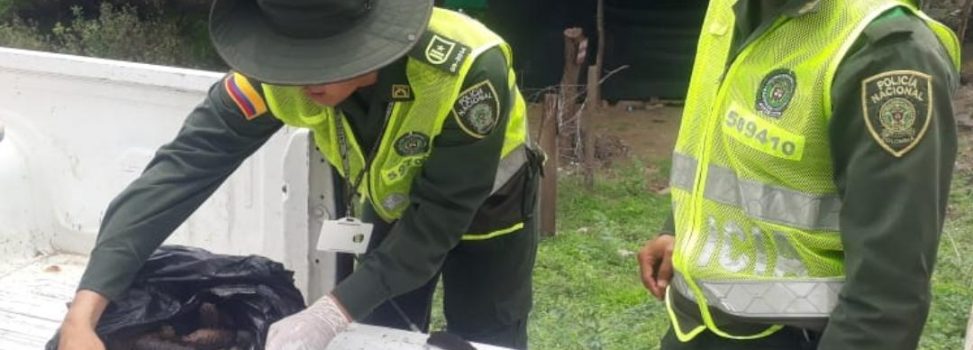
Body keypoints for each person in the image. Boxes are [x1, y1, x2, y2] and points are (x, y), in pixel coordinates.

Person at [56, 0, 542, 349]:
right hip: (390, 205)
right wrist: (84, 314)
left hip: (489, 212)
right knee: (379, 331)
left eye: (322, 61)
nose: (302, 78)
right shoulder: (272, 73)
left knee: (486, 336)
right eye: (289, 57)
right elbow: (176, 172)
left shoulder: (467, 71)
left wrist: (331, 312)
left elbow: (437, 222)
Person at [637, 0, 960, 349]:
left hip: (799, 335)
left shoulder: (888, 52)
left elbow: (886, 296)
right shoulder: (729, 6)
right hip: (696, 328)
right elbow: (720, 137)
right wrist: (679, 229)